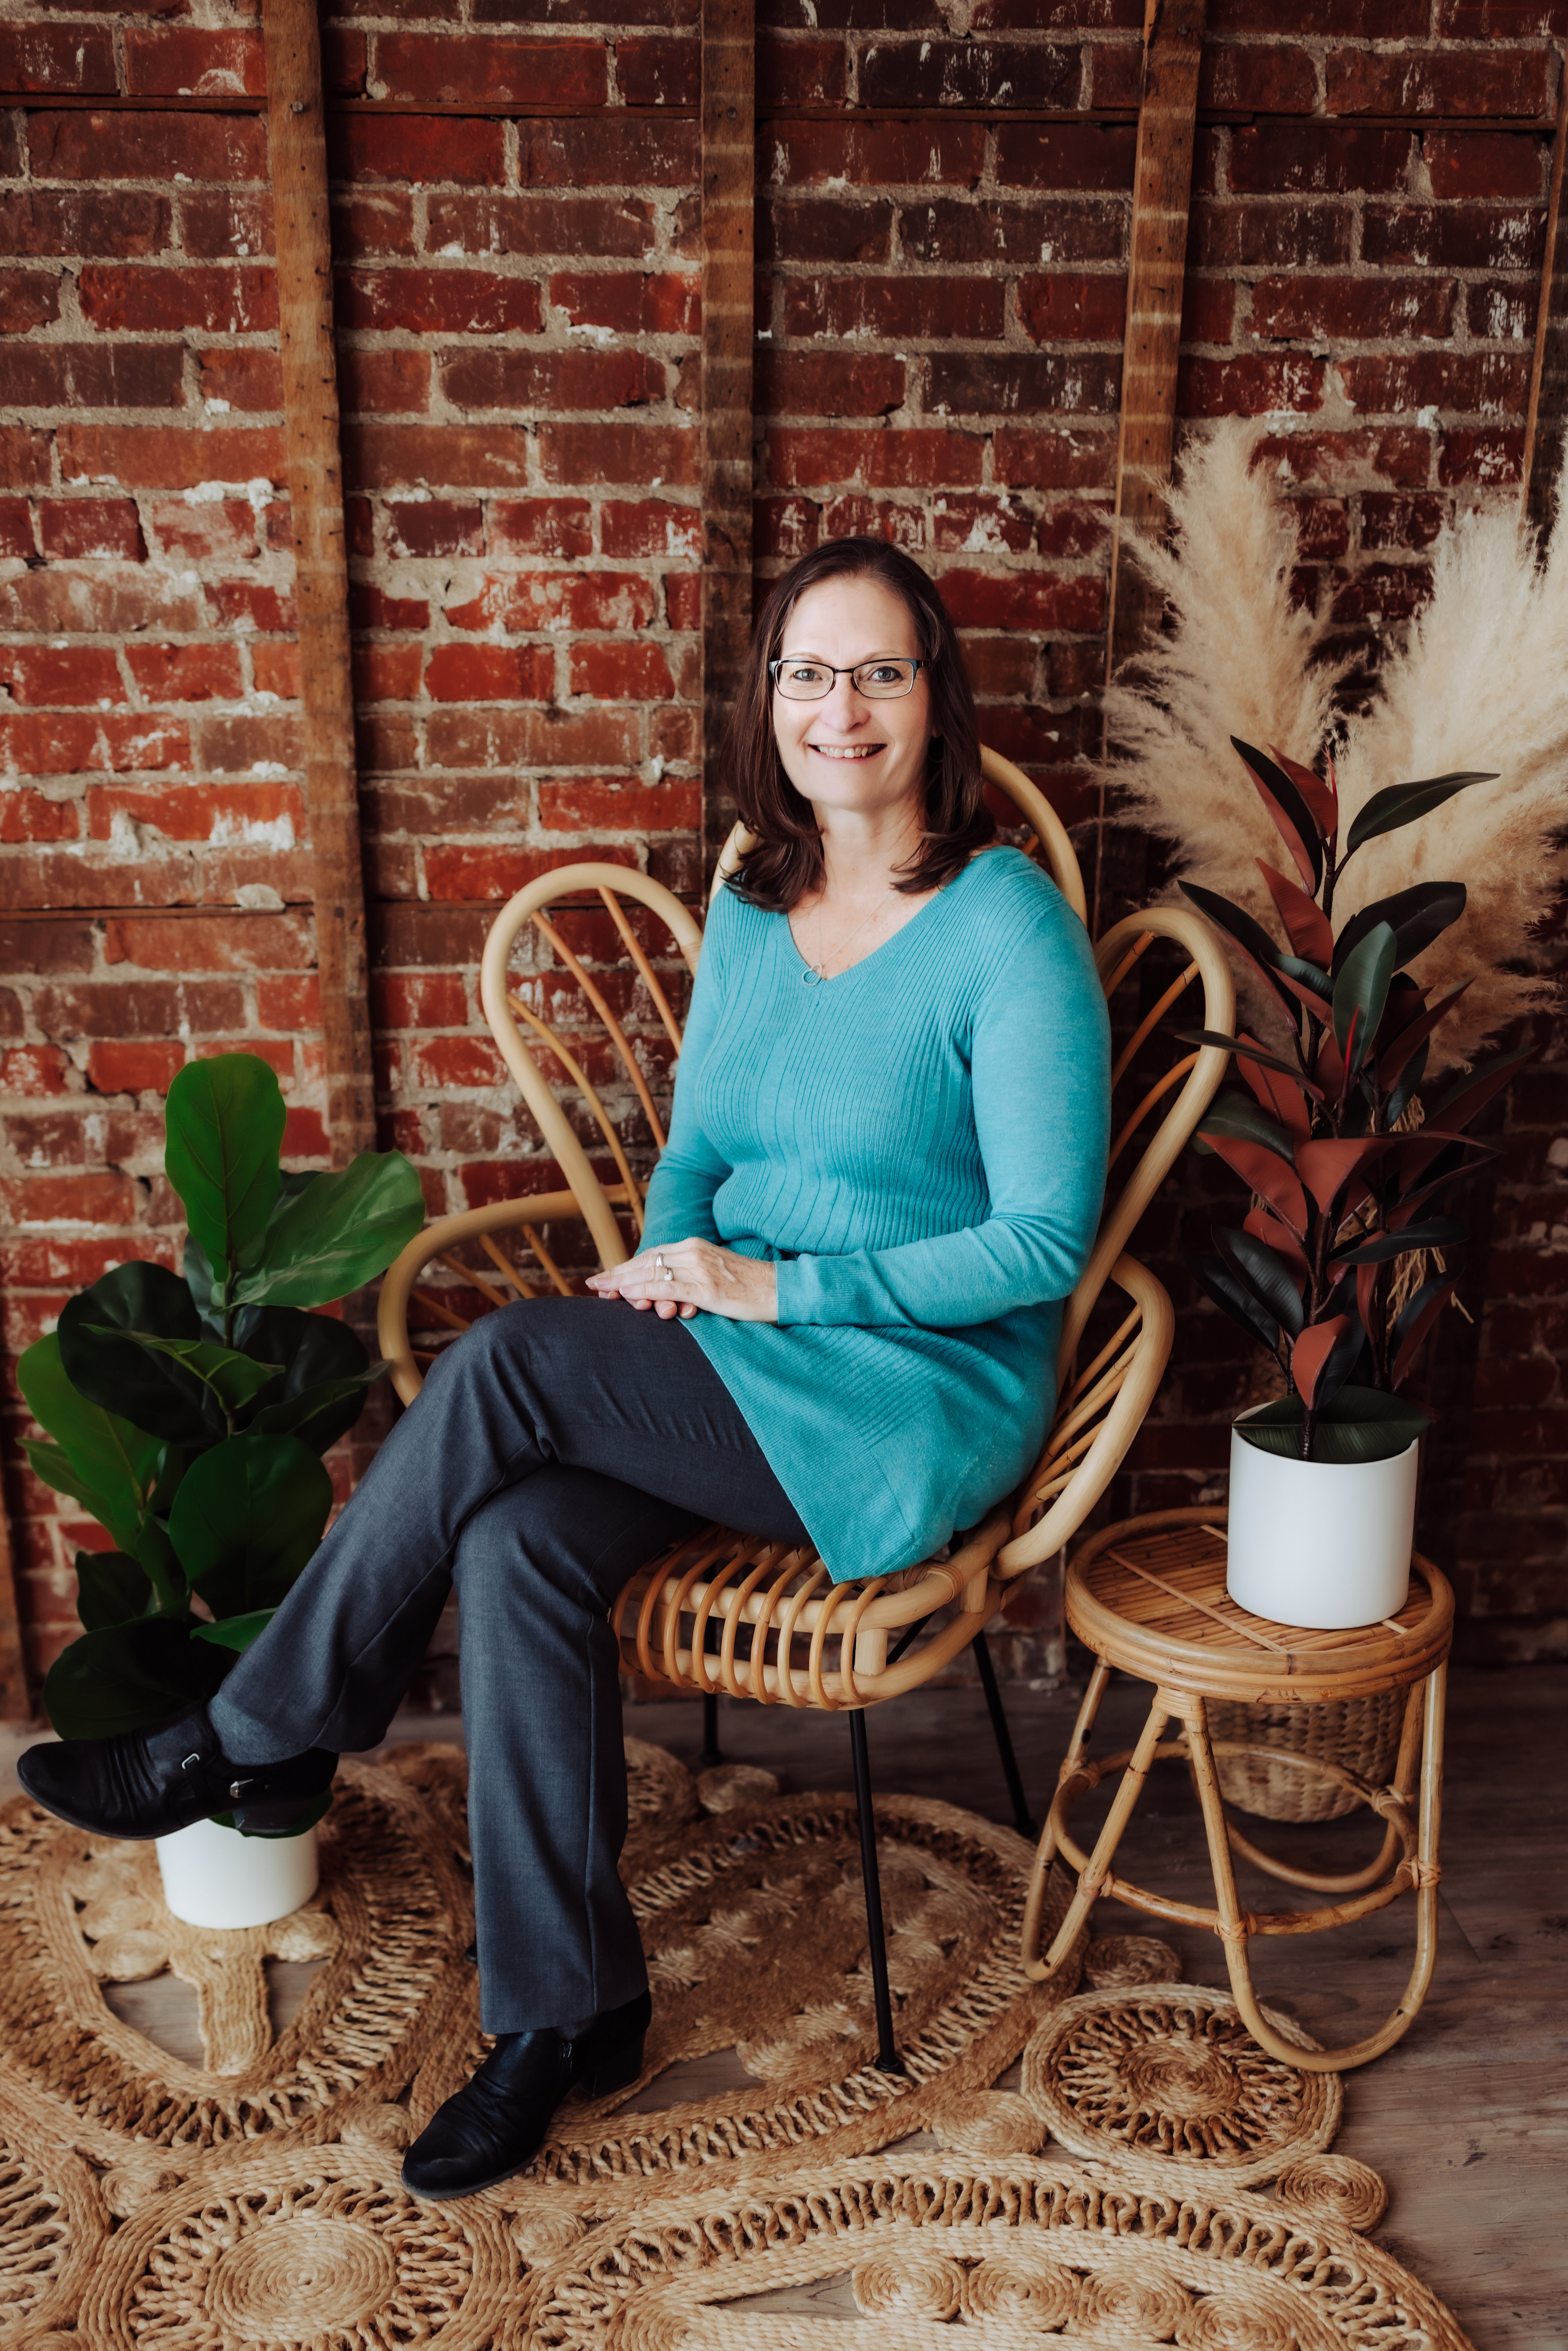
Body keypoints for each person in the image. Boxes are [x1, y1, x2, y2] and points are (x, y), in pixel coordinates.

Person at [18, 536, 1110, 2201]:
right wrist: (666, 1270)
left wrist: (769, 1285)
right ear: (771, 700)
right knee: (518, 1540)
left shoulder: (1003, 925)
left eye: (881, 670)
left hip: (903, 1394)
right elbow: (694, 1156)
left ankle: (252, 1736)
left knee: (517, 1365)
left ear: (934, 696)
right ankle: (564, 2014)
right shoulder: (756, 905)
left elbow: (1041, 1240)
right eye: (808, 672)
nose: (843, 708)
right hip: (737, 1352)